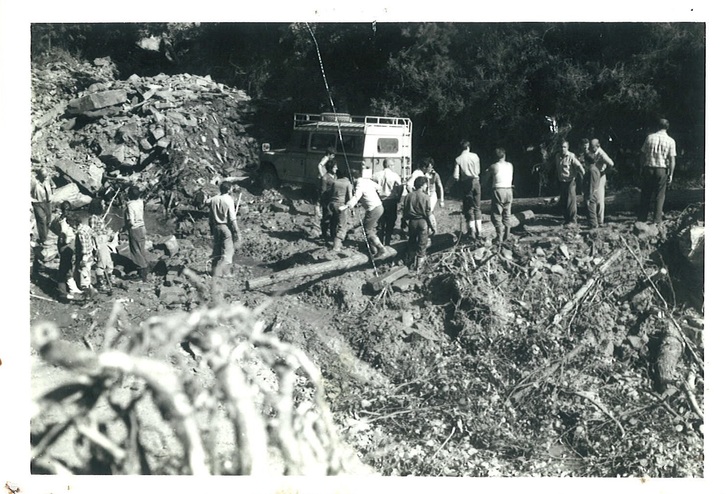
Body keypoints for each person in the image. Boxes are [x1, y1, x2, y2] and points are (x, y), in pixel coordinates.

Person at [339, 162, 386, 257]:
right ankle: (373, 249)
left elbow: (356, 197)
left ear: (353, 178)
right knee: (369, 227)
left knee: (367, 230)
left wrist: (347, 205)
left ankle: (380, 248)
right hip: (379, 206)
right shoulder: (367, 181)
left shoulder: (359, 185)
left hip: (373, 209)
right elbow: (379, 187)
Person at [638, 118, 677, 223]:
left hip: (648, 168)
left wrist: (641, 168)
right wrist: (671, 174)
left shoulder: (649, 138)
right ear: (667, 127)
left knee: (645, 194)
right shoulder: (671, 141)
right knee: (660, 196)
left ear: (657, 126)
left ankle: (642, 219)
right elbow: (672, 159)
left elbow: (642, 154)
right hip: (661, 169)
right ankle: (656, 220)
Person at [50, 202, 83, 299]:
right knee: (64, 267)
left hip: (63, 243)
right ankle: (62, 292)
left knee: (67, 266)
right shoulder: (65, 221)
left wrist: (59, 235)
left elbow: (52, 227)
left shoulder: (59, 219)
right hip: (66, 244)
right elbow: (66, 235)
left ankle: (71, 287)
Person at [402, 176, 436, 270]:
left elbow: (405, 211)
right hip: (423, 222)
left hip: (412, 222)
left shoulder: (408, 196)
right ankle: (419, 266)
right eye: (426, 185)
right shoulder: (426, 197)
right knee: (422, 244)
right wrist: (433, 227)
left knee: (412, 241)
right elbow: (429, 213)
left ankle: (410, 262)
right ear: (423, 185)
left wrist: (404, 221)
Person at [482, 148, 514, 244]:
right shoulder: (510, 165)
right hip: (509, 190)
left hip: (498, 190)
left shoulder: (494, 166)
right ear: (504, 155)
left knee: (496, 214)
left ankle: (499, 237)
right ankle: (507, 236)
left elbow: (485, 178)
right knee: (507, 213)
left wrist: (486, 172)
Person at [208, 181, 239, 276]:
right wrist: (236, 231)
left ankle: (213, 271)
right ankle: (226, 273)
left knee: (217, 249)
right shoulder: (229, 200)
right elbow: (232, 219)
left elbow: (206, 202)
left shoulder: (214, 199)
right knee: (228, 250)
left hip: (216, 227)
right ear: (229, 190)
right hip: (225, 227)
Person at [453, 140, 482, 238]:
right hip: (476, 181)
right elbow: (478, 170)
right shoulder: (475, 156)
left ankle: (472, 230)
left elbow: (455, 176)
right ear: (468, 147)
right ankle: (480, 231)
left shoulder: (458, 159)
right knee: (477, 207)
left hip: (466, 183)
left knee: (469, 207)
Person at [407, 157, 444, 233]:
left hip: (426, 197)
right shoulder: (417, 173)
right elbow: (408, 185)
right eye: (429, 167)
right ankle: (431, 230)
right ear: (424, 167)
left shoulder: (427, 174)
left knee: (428, 212)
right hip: (421, 197)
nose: (431, 168)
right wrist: (416, 196)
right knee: (426, 213)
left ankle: (430, 229)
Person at [89, 199, 118, 294]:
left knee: (109, 262)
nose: (104, 205)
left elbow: (101, 229)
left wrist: (108, 232)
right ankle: (100, 283)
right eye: (102, 204)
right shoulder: (93, 218)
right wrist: (96, 242)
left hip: (104, 241)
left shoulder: (99, 217)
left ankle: (109, 278)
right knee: (101, 263)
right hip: (99, 242)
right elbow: (92, 231)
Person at [554, 140, 586, 226]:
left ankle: (573, 220)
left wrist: (584, 175)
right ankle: (566, 219)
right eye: (561, 147)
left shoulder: (571, 156)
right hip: (562, 181)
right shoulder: (557, 156)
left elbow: (579, 166)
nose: (562, 149)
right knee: (563, 201)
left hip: (570, 181)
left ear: (567, 148)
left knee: (571, 201)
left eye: (564, 147)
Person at [584, 138, 615, 228]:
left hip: (600, 175)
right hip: (592, 173)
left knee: (599, 199)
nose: (591, 148)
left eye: (593, 147)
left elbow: (611, 163)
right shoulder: (591, 151)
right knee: (591, 196)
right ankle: (592, 219)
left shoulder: (601, 154)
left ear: (598, 146)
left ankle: (600, 220)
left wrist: (604, 169)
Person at [372, 158, 403, 246]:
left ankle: (380, 243)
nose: (394, 167)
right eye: (393, 165)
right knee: (390, 223)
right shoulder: (395, 176)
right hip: (391, 201)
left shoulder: (376, 175)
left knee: (381, 223)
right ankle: (388, 242)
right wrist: (398, 196)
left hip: (380, 201)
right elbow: (400, 187)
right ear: (389, 165)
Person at [124, 185, 149, 281]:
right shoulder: (140, 202)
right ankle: (142, 269)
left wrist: (126, 226)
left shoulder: (130, 205)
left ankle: (142, 272)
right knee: (141, 249)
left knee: (135, 250)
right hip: (142, 227)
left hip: (134, 229)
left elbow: (132, 220)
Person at [328, 166, 354, 252]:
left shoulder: (336, 182)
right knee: (342, 226)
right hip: (341, 205)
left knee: (334, 223)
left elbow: (331, 193)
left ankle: (332, 240)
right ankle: (336, 247)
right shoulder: (348, 183)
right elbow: (350, 198)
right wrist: (352, 209)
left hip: (332, 204)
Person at [31, 167, 54, 247]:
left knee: (48, 220)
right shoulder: (33, 181)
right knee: (41, 220)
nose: (45, 178)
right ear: (39, 175)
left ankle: (45, 237)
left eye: (46, 177)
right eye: (43, 177)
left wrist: (51, 195)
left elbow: (53, 185)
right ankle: (43, 239)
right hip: (37, 202)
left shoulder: (48, 178)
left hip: (47, 202)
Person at [319, 159, 338, 244]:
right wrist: (323, 203)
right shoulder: (325, 178)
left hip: (334, 201)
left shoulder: (335, 176)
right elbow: (323, 191)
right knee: (326, 219)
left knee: (334, 219)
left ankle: (332, 236)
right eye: (335, 167)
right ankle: (324, 236)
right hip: (327, 201)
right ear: (330, 168)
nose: (336, 168)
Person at [315, 147, 336, 217]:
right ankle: (317, 210)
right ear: (329, 154)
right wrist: (322, 174)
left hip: (323, 178)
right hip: (322, 178)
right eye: (332, 155)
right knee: (321, 194)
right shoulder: (326, 158)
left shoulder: (326, 158)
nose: (333, 157)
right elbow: (319, 165)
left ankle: (318, 209)